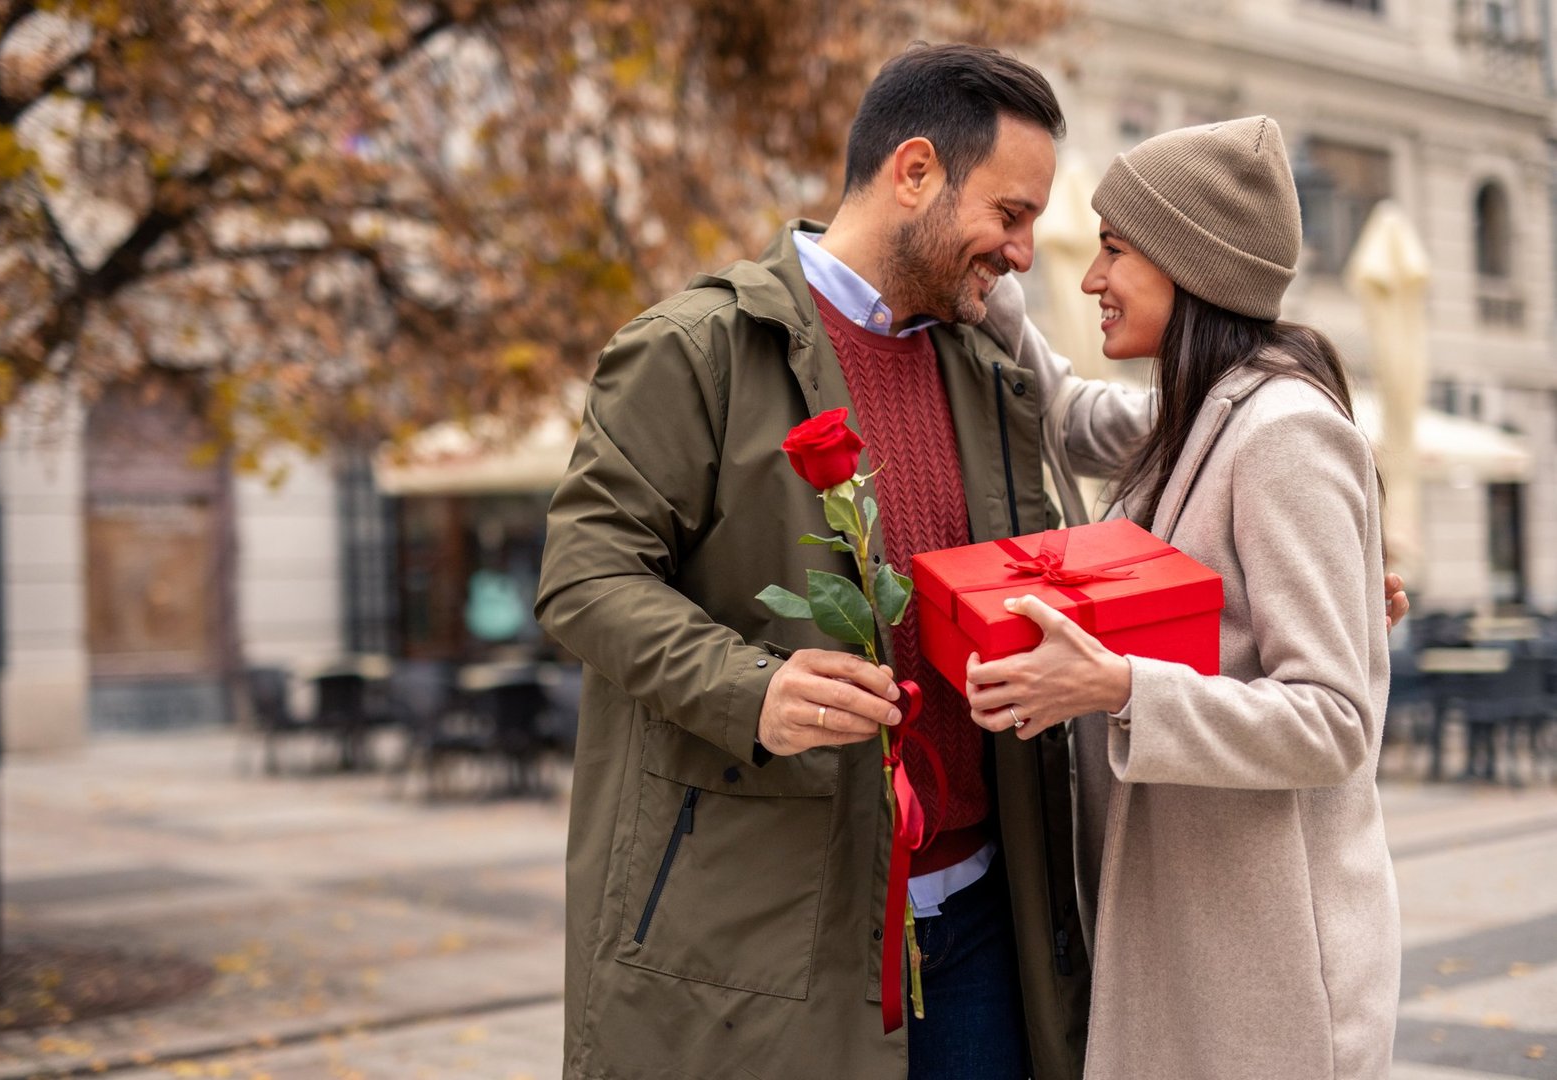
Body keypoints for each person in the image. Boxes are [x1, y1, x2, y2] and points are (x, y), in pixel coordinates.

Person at [536, 44, 1090, 1080]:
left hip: (982, 924)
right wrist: (755, 688)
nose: (1022, 254)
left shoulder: (991, 375)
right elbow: (583, 578)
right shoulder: (696, 347)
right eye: (1011, 215)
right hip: (766, 927)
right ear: (914, 172)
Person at [963, 117, 1403, 1079]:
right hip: (1202, 947)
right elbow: (1071, 416)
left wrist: (1118, 686)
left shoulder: (1283, 433)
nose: (1090, 278)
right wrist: (992, 297)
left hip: (1269, 980)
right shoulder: (1202, 410)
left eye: (1114, 251)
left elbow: (1335, 722)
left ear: (1190, 264)